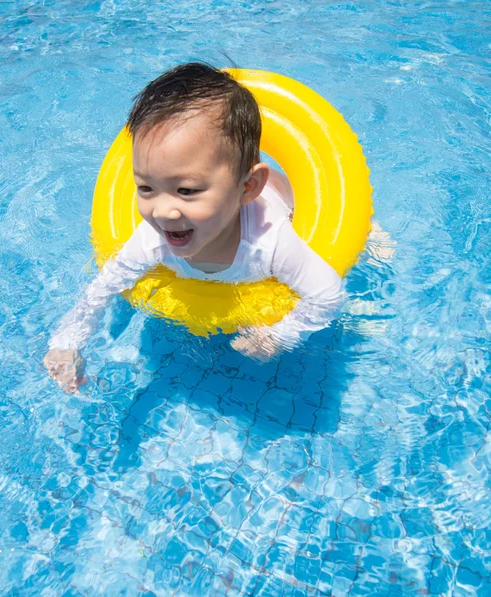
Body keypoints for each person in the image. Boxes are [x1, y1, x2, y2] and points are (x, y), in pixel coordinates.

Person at [44, 63, 343, 393]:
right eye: (146, 188)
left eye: (186, 190)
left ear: (248, 186)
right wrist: (68, 342)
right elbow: (104, 287)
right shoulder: (151, 239)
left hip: (283, 200)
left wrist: (280, 335)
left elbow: (327, 295)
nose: (163, 211)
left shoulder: (270, 242)